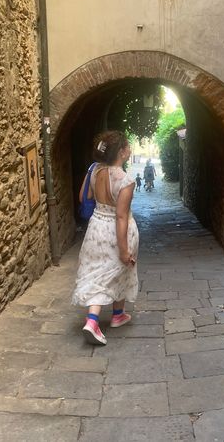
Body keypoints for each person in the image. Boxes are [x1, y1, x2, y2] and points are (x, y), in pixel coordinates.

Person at [72, 131, 139, 345]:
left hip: (95, 227)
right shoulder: (126, 181)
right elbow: (121, 217)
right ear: (121, 152)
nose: (130, 149)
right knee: (114, 270)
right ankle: (92, 321)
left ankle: (118, 314)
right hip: (115, 230)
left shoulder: (94, 170)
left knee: (98, 271)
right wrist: (123, 249)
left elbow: (84, 197)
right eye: (128, 146)